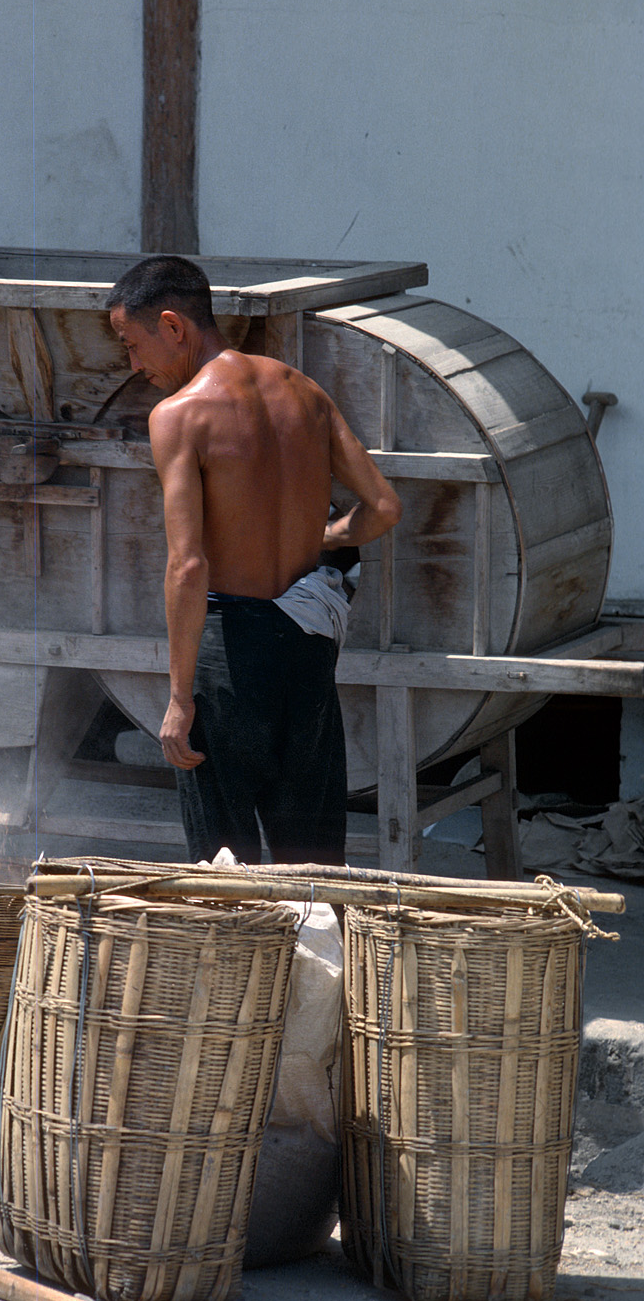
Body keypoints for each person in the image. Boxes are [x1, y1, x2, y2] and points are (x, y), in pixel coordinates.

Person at [106, 255, 402, 865]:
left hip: (228, 655)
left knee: (224, 874)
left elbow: (188, 566)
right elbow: (382, 508)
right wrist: (319, 540)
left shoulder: (180, 416)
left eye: (132, 345)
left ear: (173, 326)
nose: (133, 366)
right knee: (316, 867)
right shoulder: (304, 392)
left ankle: (238, 965)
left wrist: (181, 698)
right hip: (306, 643)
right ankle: (323, 961)